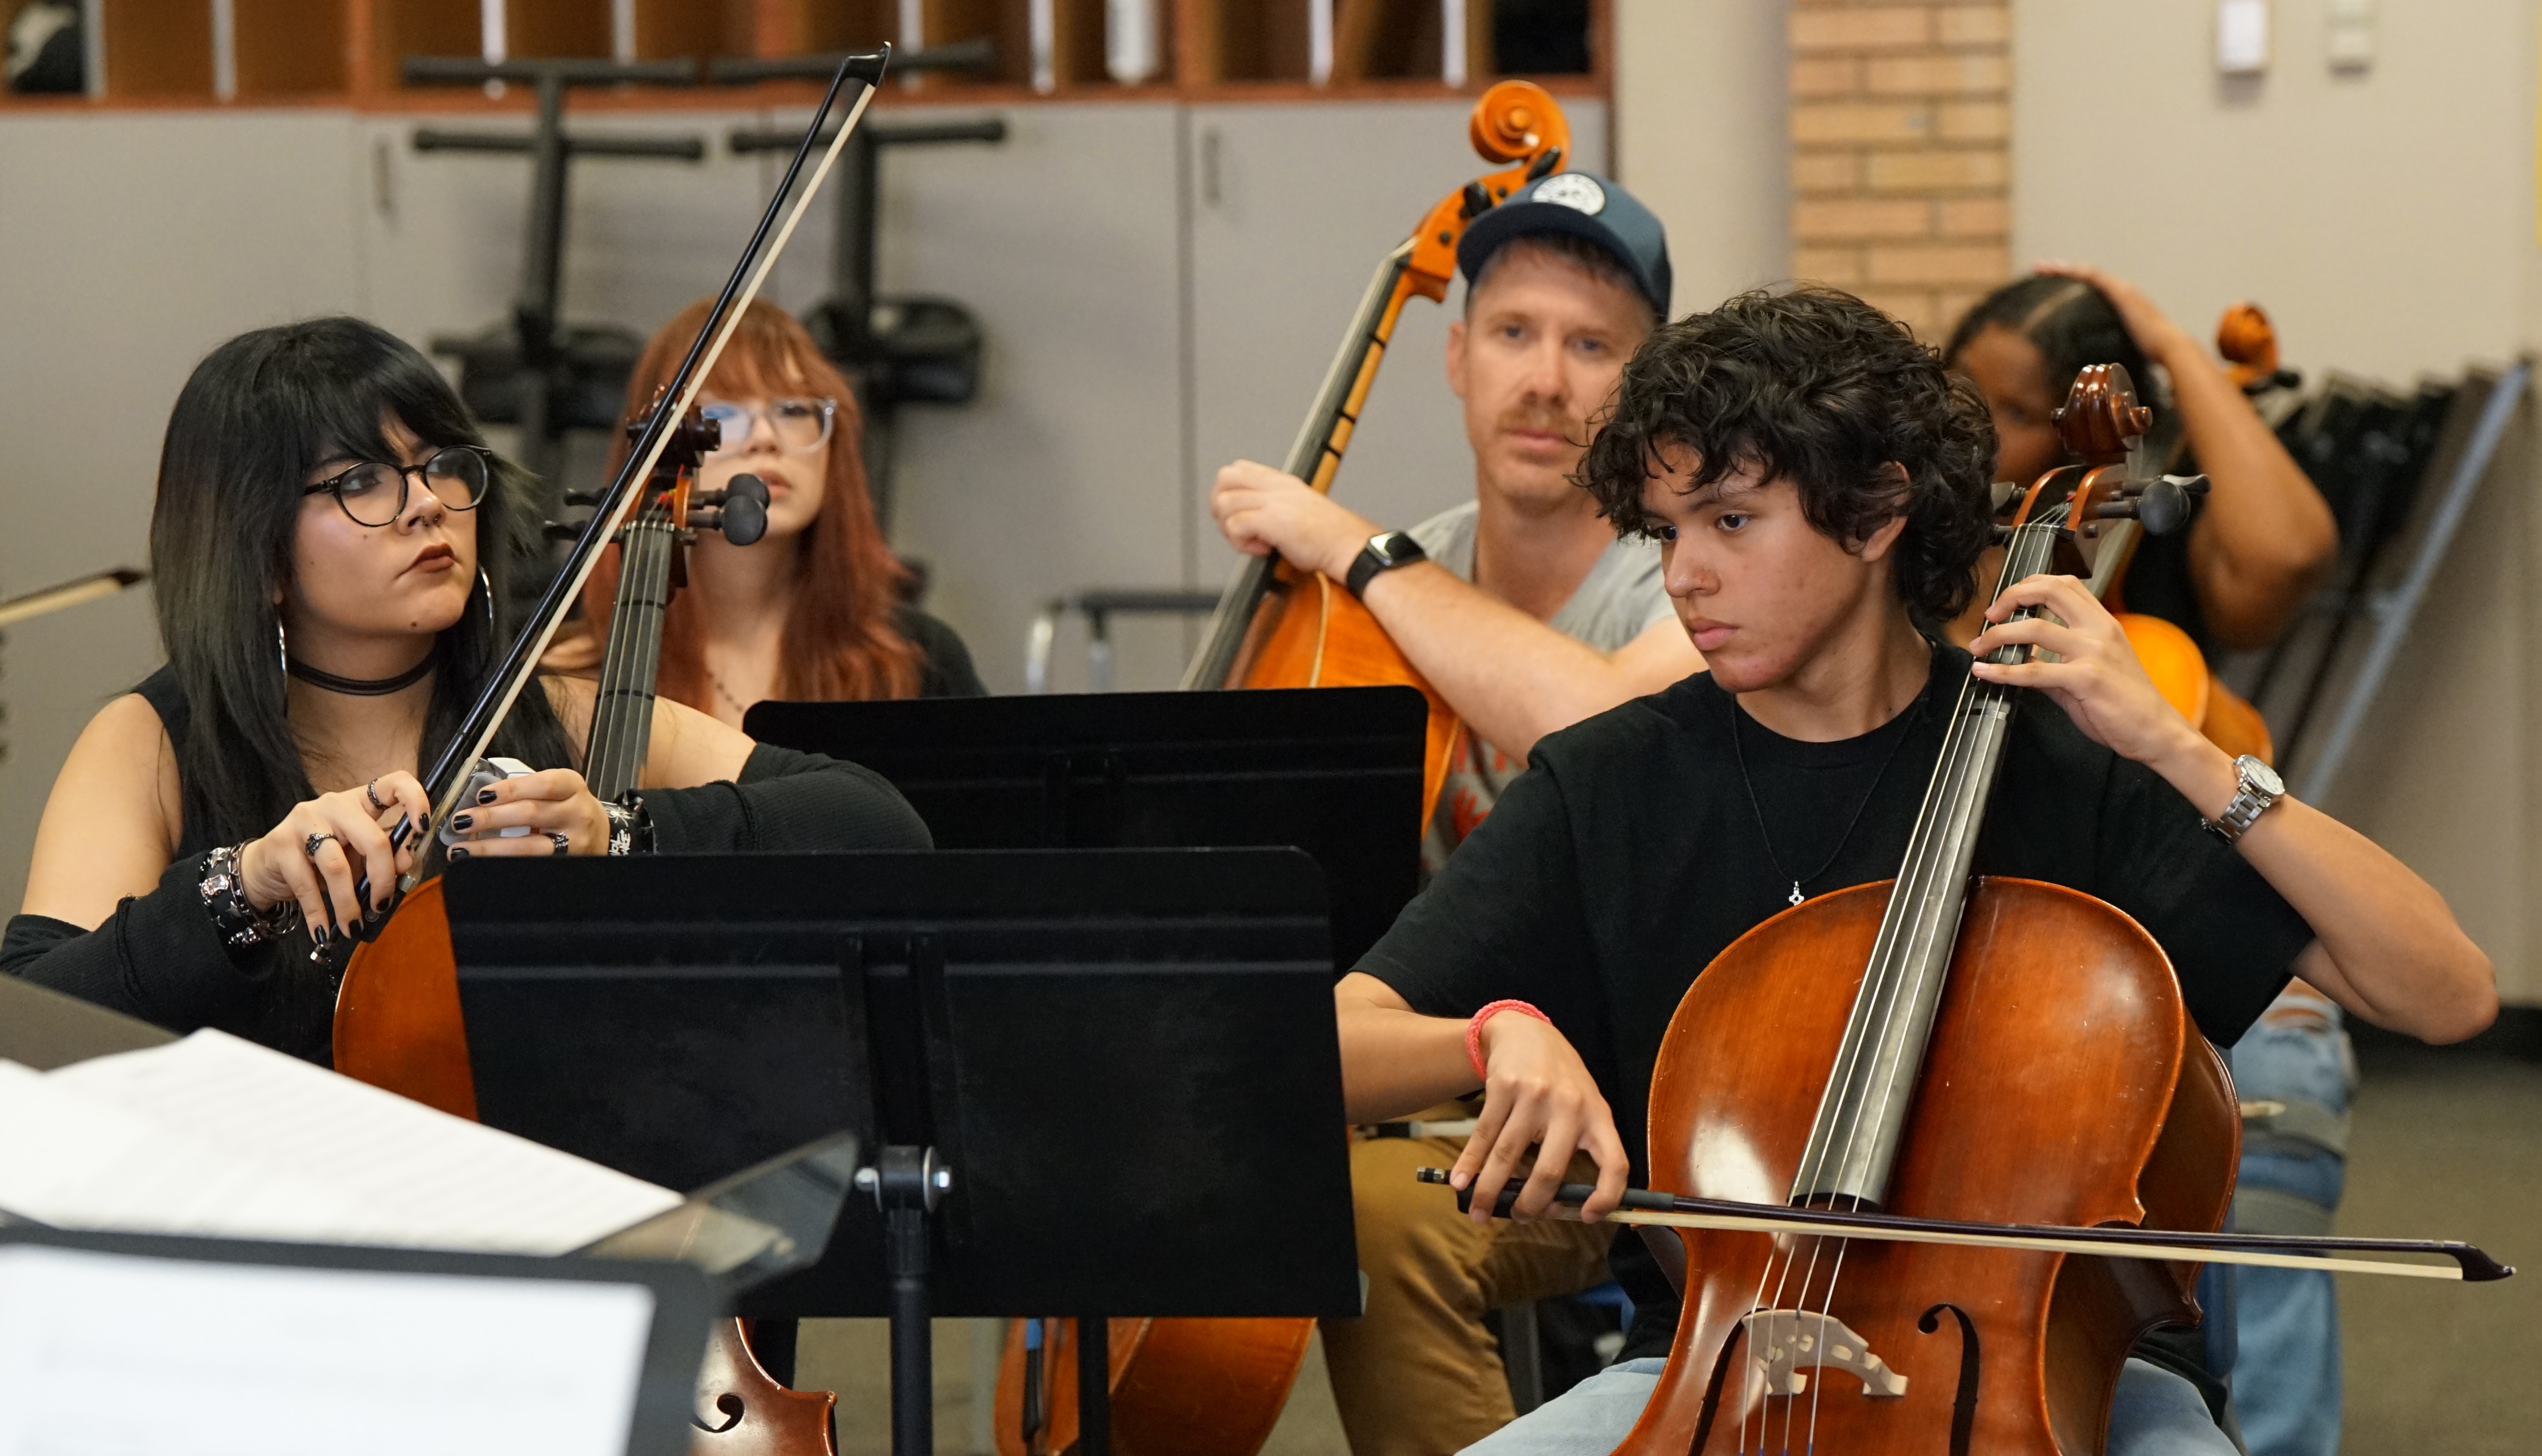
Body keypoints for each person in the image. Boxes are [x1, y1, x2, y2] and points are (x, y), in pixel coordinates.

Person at [1333, 287, 2495, 1455]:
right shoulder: (1616, 781)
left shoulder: (2062, 766)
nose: (1682, 576)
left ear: (1877, 512)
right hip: (1712, 1364)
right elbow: (1323, 1047)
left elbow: (2440, 993)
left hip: (2066, 1381)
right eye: (1667, 530)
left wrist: (2178, 752)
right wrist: (1486, 1037)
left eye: (1730, 523)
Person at [3, 317, 933, 1060]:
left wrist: (623, 834)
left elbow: (877, 828)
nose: (425, 504)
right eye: (360, 481)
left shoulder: (551, 708)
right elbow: (32, 1024)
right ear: (255, 550)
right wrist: (242, 889)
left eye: (443, 465)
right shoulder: (154, 744)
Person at [1207, 173, 1703, 1456]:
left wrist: (1359, 554)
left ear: (1643, 385)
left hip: (1638, 1116)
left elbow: (1594, 728)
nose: (1544, 382)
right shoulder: (1368, 598)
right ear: (1453, 353)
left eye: (1590, 345)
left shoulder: (1697, 586)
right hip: (1434, 1074)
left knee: (1370, 1211)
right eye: (1511, 333)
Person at [1946, 268, 2349, 1456]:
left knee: (2262, 1140)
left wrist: (2172, 352)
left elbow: (2285, 555)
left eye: (2012, 410)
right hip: (2006, 992)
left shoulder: (2158, 566)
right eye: (1962, 403)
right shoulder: (1933, 573)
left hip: (2223, 985)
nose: (1985, 439)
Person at [556, 297, 984, 723]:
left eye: (794, 409)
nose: (765, 437)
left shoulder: (917, 662)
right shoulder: (573, 678)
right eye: (722, 412)